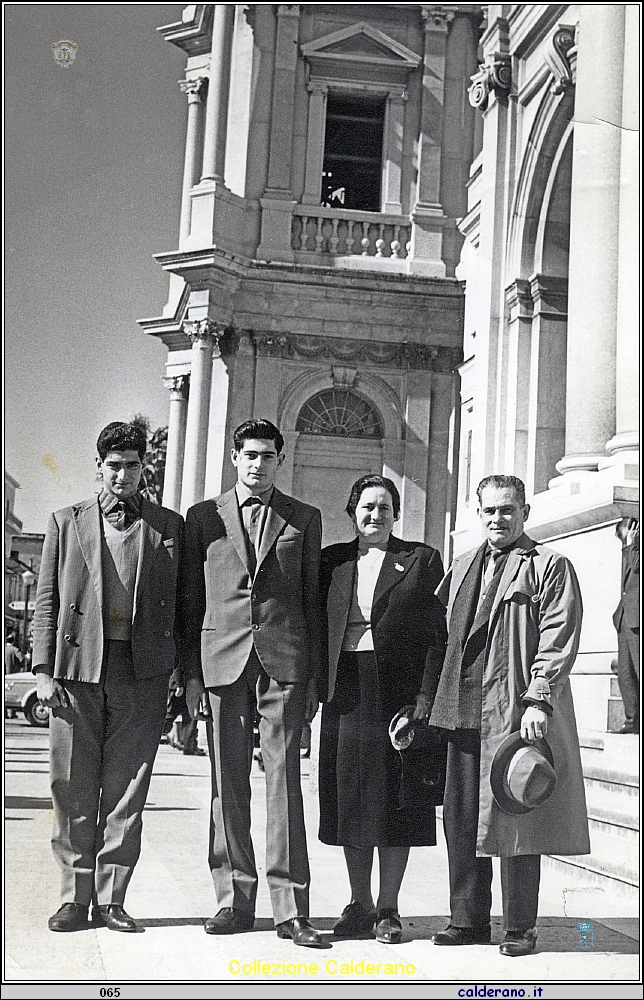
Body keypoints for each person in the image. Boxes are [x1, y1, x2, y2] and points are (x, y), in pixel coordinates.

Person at [32, 421, 184, 933]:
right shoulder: (64, 522)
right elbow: (46, 603)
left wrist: (178, 671)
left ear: (145, 468)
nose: (123, 474)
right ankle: (74, 896)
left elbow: (185, 606)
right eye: (113, 466)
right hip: (76, 671)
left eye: (132, 465)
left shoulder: (169, 526)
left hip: (141, 670)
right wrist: (43, 671)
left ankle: (111, 896)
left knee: (127, 788)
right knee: (73, 785)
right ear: (99, 467)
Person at [430, 475, 590, 957]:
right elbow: (442, 637)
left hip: (512, 707)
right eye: (489, 511)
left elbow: (559, 632)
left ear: (524, 512)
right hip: (460, 705)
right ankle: (467, 919)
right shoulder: (460, 566)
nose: (497, 519)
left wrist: (539, 696)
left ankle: (520, 925)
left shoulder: (549, 565)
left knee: (517, 814)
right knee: (460, 818)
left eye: (507, 510)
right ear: (477, 514)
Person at [181, 419, 324, 947]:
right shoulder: (201, 518)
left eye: (267, 455)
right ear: (234, 457)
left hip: (283, 666)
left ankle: (291, 909)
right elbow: (189, 600)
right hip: (221, 663)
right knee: (227, 784)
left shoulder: (304, 518)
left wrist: (311, 681)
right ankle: (233, 899)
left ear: (279, 461)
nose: (257, 463)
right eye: (249, 454)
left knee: (285, 786)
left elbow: (312, 603)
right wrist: (190, 674)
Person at [318, 475, 447, 944]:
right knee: (350, 798)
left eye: (385, 508)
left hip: (398, 695)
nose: (375, 515)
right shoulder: (331, 561)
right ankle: (359, 903)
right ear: (353, 511)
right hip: (346, 690)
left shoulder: (420, 560)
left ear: (397, 514)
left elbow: (437, 636)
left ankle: (389, 908)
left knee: (398, 799)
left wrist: (423, 701)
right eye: (367, 507)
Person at [612, 518, 639, 734]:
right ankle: (632, 722)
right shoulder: (628, 551)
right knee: (625, 673)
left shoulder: (634, 551)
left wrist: (631, 544)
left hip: (637, 619)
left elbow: (637, 568)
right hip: (625, 618)